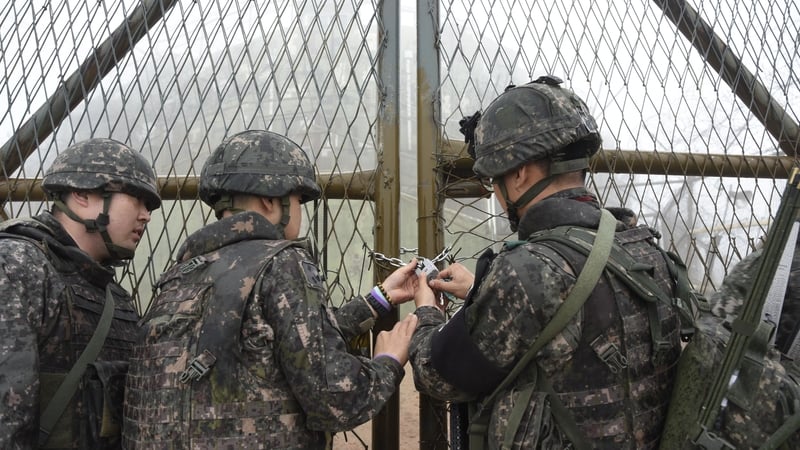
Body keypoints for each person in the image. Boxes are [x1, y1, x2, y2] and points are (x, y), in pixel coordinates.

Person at [408, 76, 684, 449]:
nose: (497, 193)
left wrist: (427, 313)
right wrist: (479, 290)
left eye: (495, 179)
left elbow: (438, 376)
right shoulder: (645, 249)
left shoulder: (526, 270)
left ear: (519, 172)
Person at [122, 129, 419, 449]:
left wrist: (377, 300)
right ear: (271, 199)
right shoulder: (282, 261)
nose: (300, 211)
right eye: (297, 199)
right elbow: (339, 400)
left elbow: (278, 341)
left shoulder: (178, 275)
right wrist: (388, 360)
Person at [0, 138, 162, 449]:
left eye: (150, 206)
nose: (146, 215)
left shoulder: (114, 296)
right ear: (83, 194)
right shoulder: (17, 267)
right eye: (137, 199)